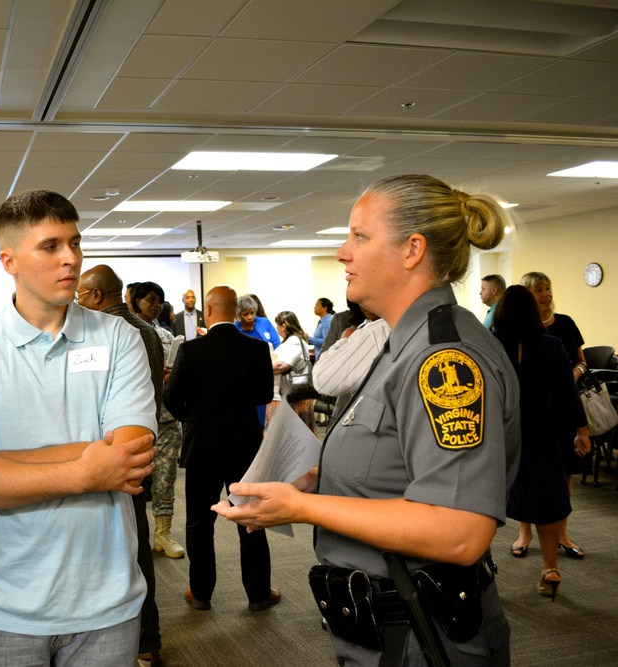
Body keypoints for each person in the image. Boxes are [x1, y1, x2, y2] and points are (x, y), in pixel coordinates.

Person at [213, 174, 521, 665]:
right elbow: (400, 466)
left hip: (423, 634)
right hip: (384, 629)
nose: (342, 252)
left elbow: (459, 531)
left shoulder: (444, 361)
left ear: (412, 250)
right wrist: (318, 482)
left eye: (359, 236)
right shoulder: (397, 345)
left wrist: (301, 508)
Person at [0, 189, 157, 665]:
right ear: (8, 260)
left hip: (107, 606)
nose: (70, 258)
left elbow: (129, 461)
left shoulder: (120, 338)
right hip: (1, 606)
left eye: (75, 243)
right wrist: (87, 470)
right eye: (50, 246)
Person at [163, 285, 279, 613]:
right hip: (245, 448)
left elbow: (171, 397)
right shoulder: (257, 349)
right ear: (233, 310)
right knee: (250, 521)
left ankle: (200, 593)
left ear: (208, 312)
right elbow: (262, 396)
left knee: (199, 523)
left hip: (201, 448)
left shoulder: (191, 350)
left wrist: (194, 418)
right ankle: (258, 593)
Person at [77, 264, 168, 667]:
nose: (76, 302)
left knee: (115, 552)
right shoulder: (148, 331)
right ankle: (147, 640)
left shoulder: (100, 335)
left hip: (108, 458)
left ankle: (126, 639)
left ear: (96, 296)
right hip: (140, 451)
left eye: (81, 295)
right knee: (135, 544)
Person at [494, 286, 590, 600]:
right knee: (547, 499)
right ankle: (550, 567)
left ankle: (482, 568)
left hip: (501, 432)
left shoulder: (492, 347)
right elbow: (567, 395)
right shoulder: (551, 345)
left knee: (489, 502)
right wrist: (582, 432)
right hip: (542, 431)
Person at [516, 271, 590, 561]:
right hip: (531, 414)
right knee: (526, 475)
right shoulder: (519, 330)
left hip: (564, 411)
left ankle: (561, 533)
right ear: (527, 297)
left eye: (548, 288)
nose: (546, 294)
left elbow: (581, 360)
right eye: (538, 290)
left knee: (564, 473)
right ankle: (524, 533)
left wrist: (573, 373)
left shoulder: (566, 323)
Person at [312, 305, 390, 412]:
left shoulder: (342, 320)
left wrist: (343, 341)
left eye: (317, 305)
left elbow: (323, 379)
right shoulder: (360, 323)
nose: (315, 307)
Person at [235, 294, 280, 426]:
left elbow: (276, 344)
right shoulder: (235, 328)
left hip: (264, 377)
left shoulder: (264, 323)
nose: (249, 317)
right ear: (238, 315)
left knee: (264, 419)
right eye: (245, 314)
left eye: (252, 313)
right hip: (242, 379)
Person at [270, 311, 316, 433]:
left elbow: (281, 366)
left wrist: (261, 369)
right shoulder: (296, 341)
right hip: (292, 396)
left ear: (283, 325)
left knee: (288, 436)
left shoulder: (294, 341)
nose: (277, 328)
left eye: (277, 325)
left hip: (289, 396)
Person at [131, 281, 175, 358]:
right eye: (151, 299)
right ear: (138, 301)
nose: (157, 305)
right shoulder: (128, 330)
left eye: (161, 302)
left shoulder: (167, 335)